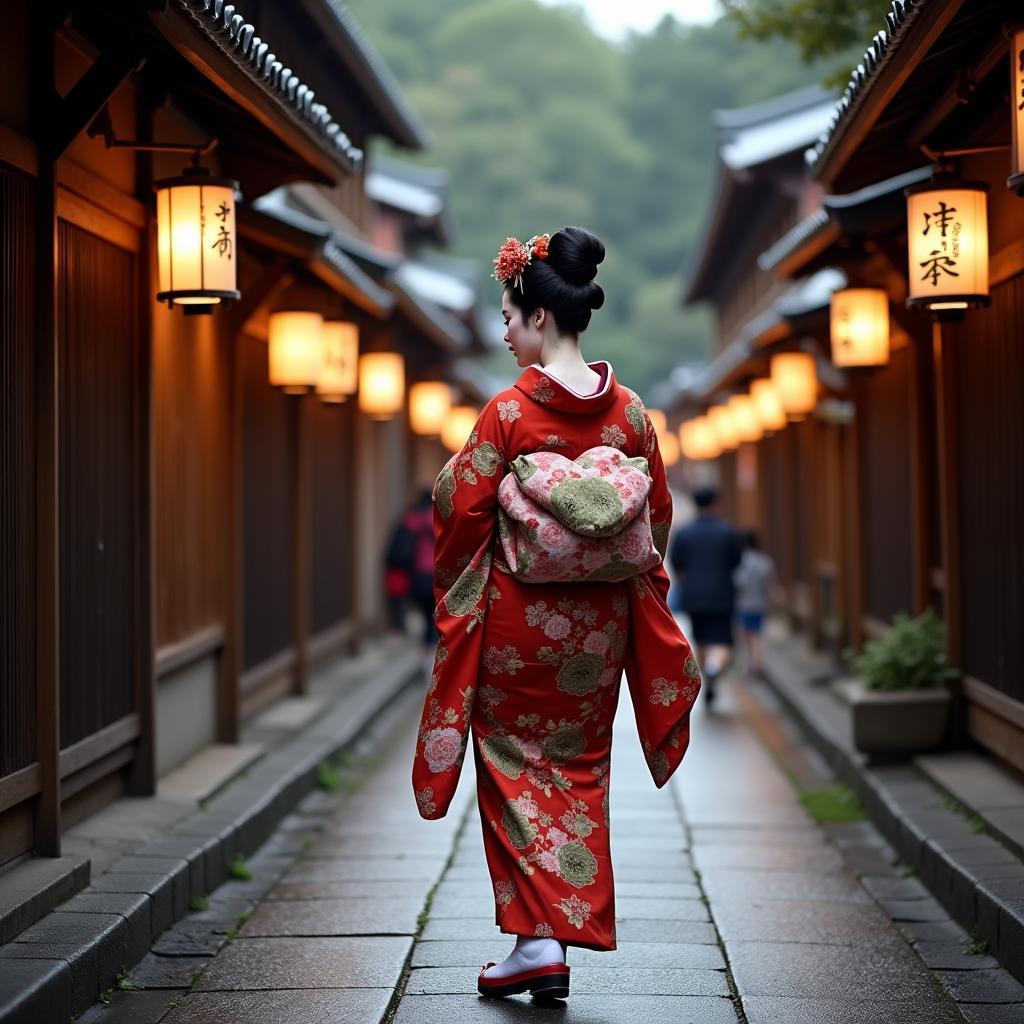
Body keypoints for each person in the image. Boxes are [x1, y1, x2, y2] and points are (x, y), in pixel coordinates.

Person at [411, 227, 700, 1003]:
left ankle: (533, 940)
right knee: (577, 768)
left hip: (517, 623)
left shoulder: (508, 414)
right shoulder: (633, 416)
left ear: (539, 315)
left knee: (511, 770)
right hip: (596, 633)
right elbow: (657, 519)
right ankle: (548, 933)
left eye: (508, 316)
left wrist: (470, 568)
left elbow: (461, 511)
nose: (503, 332)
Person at [668, 486, 741, 704]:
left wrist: (686, 585)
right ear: (715, 503)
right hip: (722, 593)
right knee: (724, 641)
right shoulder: (728, 531)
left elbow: (676, 563)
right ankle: (714, 667)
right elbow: (736, 562)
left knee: (700, 638)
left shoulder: (684, 532)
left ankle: (707, 680)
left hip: (693, 595)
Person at [734, 529, 775, 679]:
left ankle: (748, 667)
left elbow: (738, 583)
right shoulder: (765, 561)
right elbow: (769, 586)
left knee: (745, 636)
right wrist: (769, 603)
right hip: (760, 604)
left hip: (743, 604)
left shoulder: (740, 562)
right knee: (757, 635)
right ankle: (758, 665)